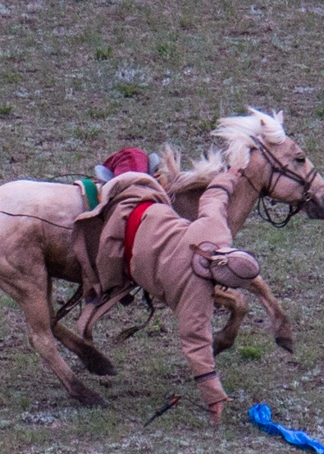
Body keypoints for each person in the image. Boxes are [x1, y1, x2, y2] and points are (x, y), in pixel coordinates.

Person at [72, 169, 257, 424]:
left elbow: (214, 198)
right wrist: (214, 397)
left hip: (138, 207)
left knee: (138, 168)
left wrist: (231, 175)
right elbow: (197, 343)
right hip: (119, 249)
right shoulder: (197, 294)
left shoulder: (216, 232)